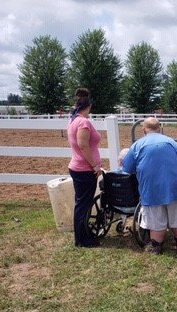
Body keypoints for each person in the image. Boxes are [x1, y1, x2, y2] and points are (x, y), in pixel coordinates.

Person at [122, 117, 177, 255]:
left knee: (155, 217)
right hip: (173, 186)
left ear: (143, 129)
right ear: (159, 128)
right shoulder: (171, 142)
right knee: (176, 215)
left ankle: (156, 245)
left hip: (151, 189)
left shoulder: (138, 145)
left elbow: (127, 168)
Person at [67, 88, 102, 248]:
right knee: (83, 204)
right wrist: (94, 165)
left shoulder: (73, 120)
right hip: (84, 169)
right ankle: (81, 239)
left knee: (81, 203)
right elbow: (83, 144)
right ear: (89, 106)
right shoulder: (83, 122)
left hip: (78, 167)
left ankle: (82, 235)